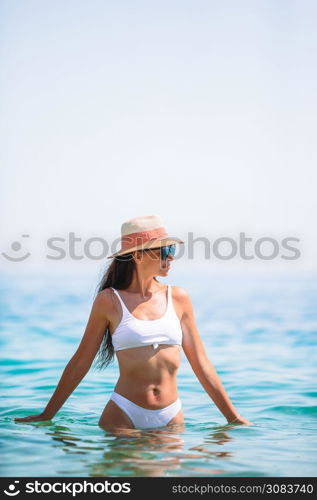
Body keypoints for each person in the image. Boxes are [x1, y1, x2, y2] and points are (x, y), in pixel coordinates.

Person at [14, 215, 252, 430]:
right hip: (123, 414)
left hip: (170, 416)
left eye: (171, 250)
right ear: (137, 255)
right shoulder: (108, 301)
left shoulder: (179, 298)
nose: (170, 258)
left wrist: (233, 418)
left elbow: (201, 364)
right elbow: (81, 362)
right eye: (163, 251)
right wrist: (47, 415)